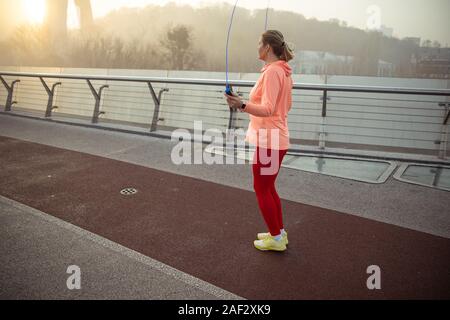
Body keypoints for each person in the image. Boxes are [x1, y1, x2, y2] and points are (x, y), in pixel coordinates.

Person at [224, 30, 295, 252]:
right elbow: (284, 107)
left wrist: (241, 105)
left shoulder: (273, 72)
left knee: (262, 188)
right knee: (268, 186)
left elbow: (268, 109)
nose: (257, 47)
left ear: (267, 48)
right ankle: (278, 232)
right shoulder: (281, 71)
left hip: (270, 140)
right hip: (274, 137)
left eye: (259, 43)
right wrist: (242, 103)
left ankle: (275, 238)